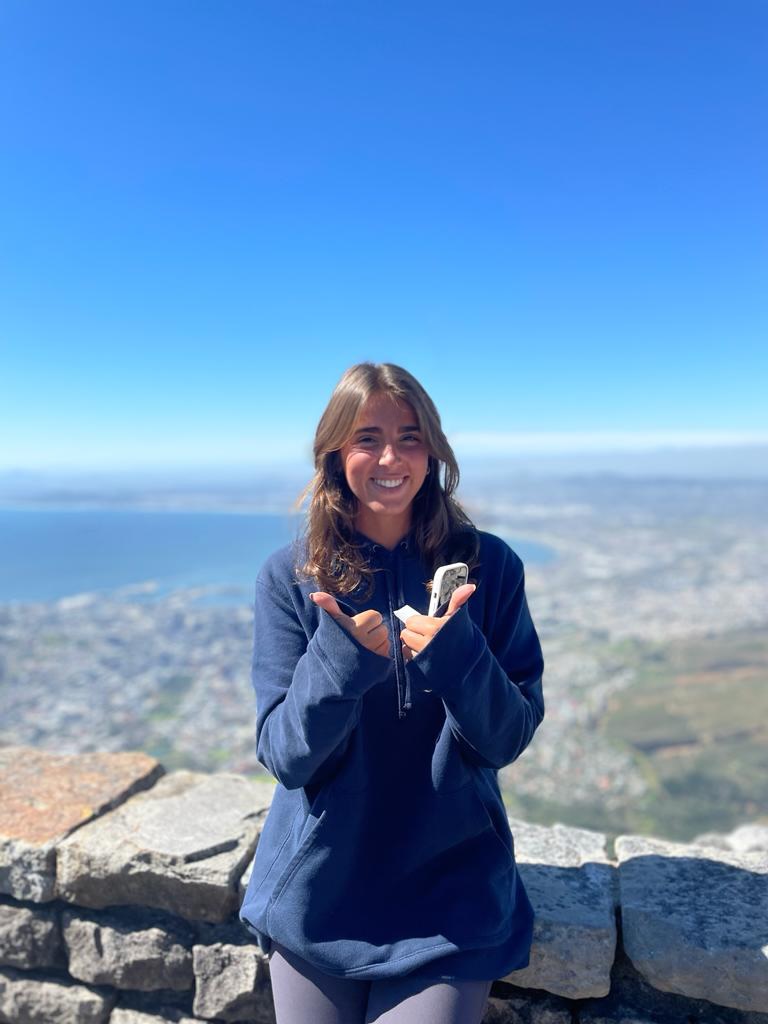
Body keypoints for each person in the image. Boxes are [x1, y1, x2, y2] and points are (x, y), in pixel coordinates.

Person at [239, 362, 545, 1024]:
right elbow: (287, 757)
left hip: (450, 893)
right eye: (367, 437)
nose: (390, 457)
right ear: (334, 452)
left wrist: (457, 654)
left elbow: (505, 737)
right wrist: (343, 662)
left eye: (410, 437)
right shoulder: (292, 578)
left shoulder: (489, 570)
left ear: (432, 451)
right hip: (319, 892)